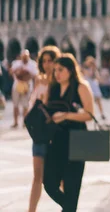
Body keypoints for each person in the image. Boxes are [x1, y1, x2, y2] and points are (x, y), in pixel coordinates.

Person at [43, 54, 94, 212]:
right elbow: (45, 109)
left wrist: (66, 115)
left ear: (71, 70)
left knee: (72, 188)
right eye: (55, 70)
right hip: (56, 141)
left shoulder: (81, 87)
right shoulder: (52, 88)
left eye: (61, 70)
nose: (57, 74)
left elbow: (89, 114)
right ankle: (70, 207)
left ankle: (70, 207)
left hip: (77, 141)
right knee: (49, 183)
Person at [27, 45, 60, 212]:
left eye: (51, 60)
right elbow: (33, 103)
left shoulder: (60, 82)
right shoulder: (38, 80)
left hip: (55, 133)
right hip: (40, 133)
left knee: (59, 176)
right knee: (37, 176)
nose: (47, 64)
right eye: (44, 61)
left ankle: (67, 206)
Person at [10, 50, 39, 128]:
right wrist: (18, 71)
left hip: (27, 85)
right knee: (15, 104)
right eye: (23, 57)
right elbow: (11, 72)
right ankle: (15, 122)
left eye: (25, 57)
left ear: (28, 56)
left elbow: (35, 76)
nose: (24, 58)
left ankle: (24, 122)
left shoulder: (32, 64)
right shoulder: (16, 63)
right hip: (17, 85)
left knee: (25, 105)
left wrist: (26, 73)